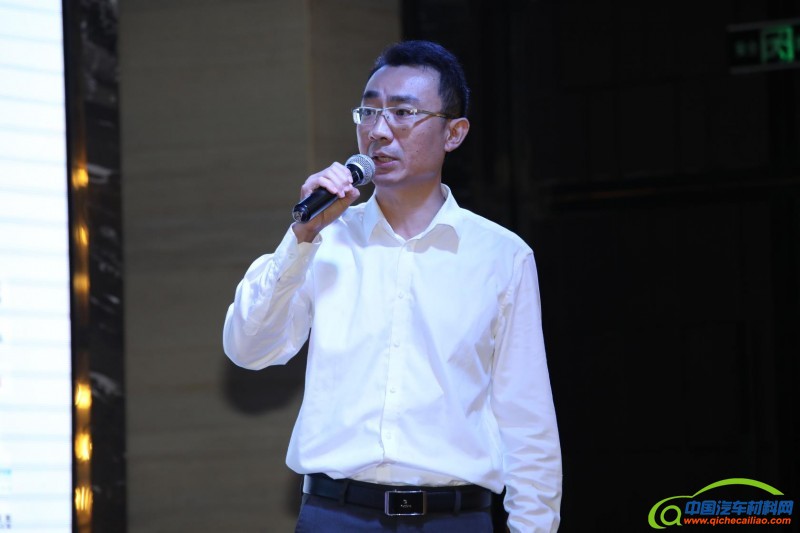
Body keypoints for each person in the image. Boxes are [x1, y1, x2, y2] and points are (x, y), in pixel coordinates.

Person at [223, 40, 562, 532]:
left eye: (403, 113)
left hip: (454, 519)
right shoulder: (324, 240)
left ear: (454, 133)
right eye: (368, 112)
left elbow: (527, 419)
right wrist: (300, 238)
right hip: (335, 515)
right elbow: (248, 348)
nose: (378, 131)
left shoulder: (501, 256)